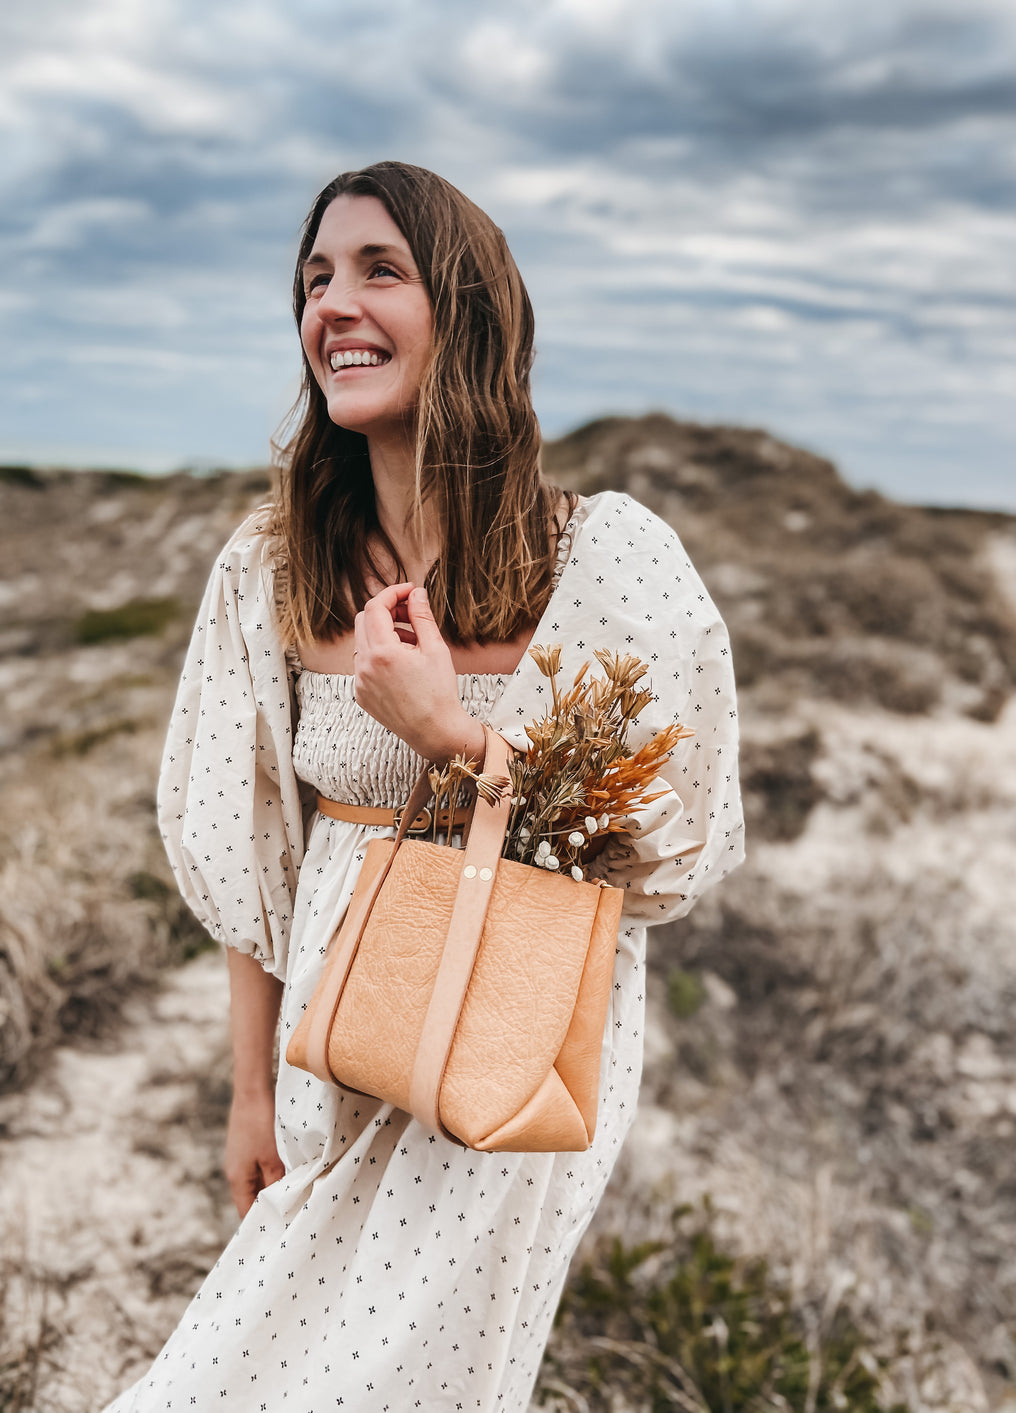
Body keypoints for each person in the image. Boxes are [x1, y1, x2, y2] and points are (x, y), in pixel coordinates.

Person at [103, 160, 744, 1411]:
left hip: (509, 1053)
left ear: (470, 311)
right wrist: (247, 1094)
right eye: (314, 279)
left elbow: (664, 849)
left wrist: (450, 732)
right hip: (326, 1053)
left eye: (379, 271)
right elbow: (255, 862)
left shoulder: (605, 557)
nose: (334, 305)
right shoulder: (271, 571)